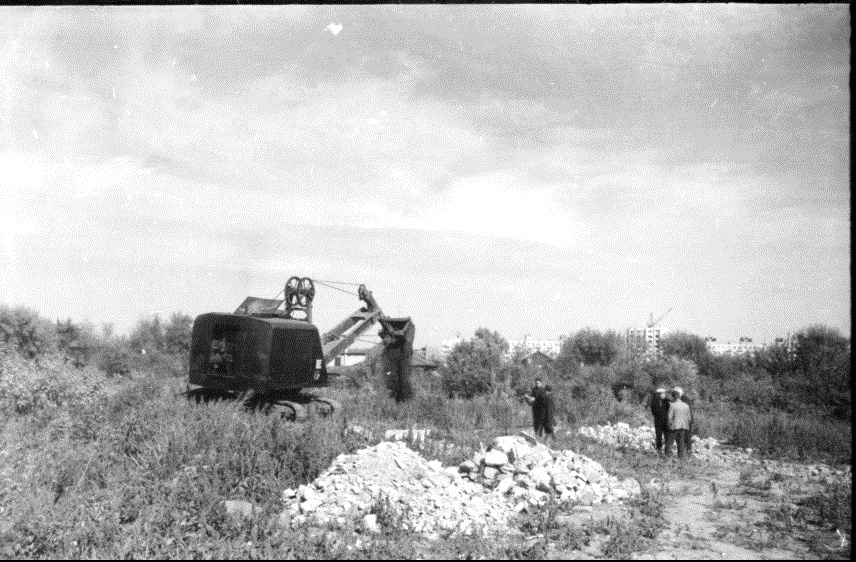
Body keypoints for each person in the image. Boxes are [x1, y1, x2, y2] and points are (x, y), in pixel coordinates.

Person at [665, 386, 692, 459]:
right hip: (683, 427)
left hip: (674, 426)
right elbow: (689, 418)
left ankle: (667, 458)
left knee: (669, 443)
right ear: (679, 396)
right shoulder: (686, 405)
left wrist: (669, 425)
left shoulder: (672, 405)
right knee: (681, 443)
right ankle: (681, 459)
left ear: (673, 397)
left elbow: (669, 417)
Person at [650, 387, 670, 454]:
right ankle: (659, 450)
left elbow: (670, 410)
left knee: (667, 436)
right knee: (658, 436)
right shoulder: (654, 401)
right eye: (661, 394)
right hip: (658, 421)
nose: (663, 395)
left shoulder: (667, 401)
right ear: (658, 394)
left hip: (665, 421)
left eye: (664, 394)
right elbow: (653, 411)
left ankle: (667, 451)